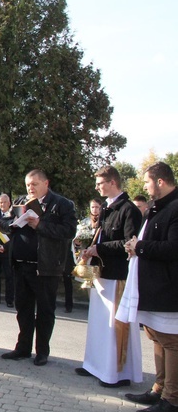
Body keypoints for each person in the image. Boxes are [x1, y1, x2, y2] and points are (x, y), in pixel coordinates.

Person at [118, 162, 178, 412]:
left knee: (171, 342)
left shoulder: (175, 208)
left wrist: (139, 247)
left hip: (168, 287)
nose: (144, 186)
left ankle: (172, 399)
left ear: (160, 182)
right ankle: (159, 388)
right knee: (156, 337)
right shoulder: (158, 208)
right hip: (152, 287)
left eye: (146, 182)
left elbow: (173, 248)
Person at [74, 165, 143, 388]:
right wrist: (89, 247)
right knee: (99, 324)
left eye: (100, 183)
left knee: (115, 326)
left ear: (112, 182)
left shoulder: (128, 209)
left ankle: (116, 373)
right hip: (101, 274)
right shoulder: (106, 207)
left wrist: (99, 249)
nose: (96, 187)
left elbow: (128, 243)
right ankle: (95, 365)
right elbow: (100, 235)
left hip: (117, 276)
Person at [0, 169, 77, 366]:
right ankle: (22, 348)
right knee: (23, 309)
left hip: (45, 267)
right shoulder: (19, 201)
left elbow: (69, 231)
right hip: (21, 265)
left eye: (34, 184)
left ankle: (42, 351)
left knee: (45, 310)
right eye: (27, 184)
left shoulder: (61, 204)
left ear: (46, 183)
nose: (30, 188)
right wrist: (13, 223)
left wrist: (39, 224)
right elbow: (3, 224)